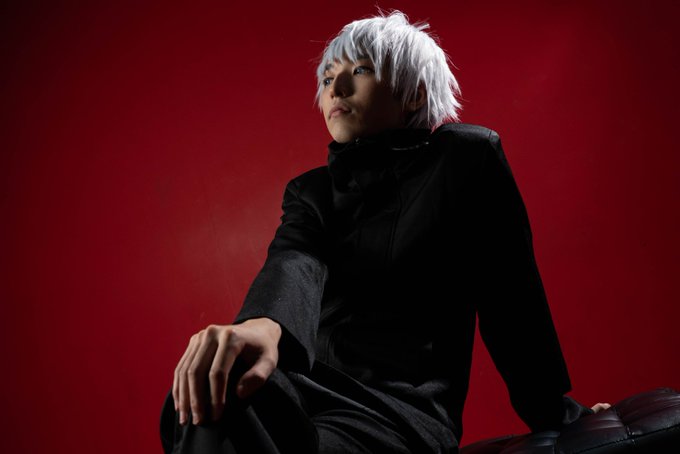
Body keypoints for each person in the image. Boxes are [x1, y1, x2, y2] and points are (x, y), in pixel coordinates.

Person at [160, 10, 609, 454]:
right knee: (212, 384)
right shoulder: (310, 192)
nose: (335, 88)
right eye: (327, 78)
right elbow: (295, 260)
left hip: (394, 416)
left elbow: (510, 295)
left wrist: (553, 411)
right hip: (306, 393)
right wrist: (263, 325)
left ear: (413, 94)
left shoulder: (464, 159)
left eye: (360, 70)